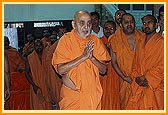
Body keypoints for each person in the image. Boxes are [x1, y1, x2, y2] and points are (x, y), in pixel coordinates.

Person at [52, 10, 111, 110]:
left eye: (89, 23)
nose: (86, 27)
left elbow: (104, 70)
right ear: (74, 24)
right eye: (82, 23)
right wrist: (83, 57)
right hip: (72, 97)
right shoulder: (66, 40)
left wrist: (92, 58)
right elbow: (61, 69)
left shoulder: (95, 41)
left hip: (92, 96)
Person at [126, 14, 164, 110]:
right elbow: (135, 62)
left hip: (155, 86)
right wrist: (136, 77)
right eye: (144, 23)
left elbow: (163, 65)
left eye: (149, 23)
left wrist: (148, 78)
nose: (146, 25)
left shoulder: (162, 42)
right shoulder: (140, 41)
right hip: (139, 84)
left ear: (156, 25)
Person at [109, 13, 143, 110]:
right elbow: (114, 62)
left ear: (135, 24)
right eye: (126, 22)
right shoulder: (115, 39)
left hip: (140, 80)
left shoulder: (142, 37)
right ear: (121, 25)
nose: (129, 24)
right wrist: (124, 77)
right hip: (125, 79)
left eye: (131, 22)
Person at [4, 36, 30, 110]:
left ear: (9, 42)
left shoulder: (14, 51)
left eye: (6, 41)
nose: (5, 43)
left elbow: (22, 64)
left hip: (14, 79)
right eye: (4, 41)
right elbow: (6, 71)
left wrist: (20, 69)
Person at [25, 39, 52, 110]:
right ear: (34, 47)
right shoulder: (30, 58)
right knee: (37, 107)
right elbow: (27, 73)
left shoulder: (47, 56)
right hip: (36, 87)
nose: (38, 47)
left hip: (47, 86)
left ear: (43, 46)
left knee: (47, 107)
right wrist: (34, 86)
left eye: (40, 45)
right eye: (36, 46)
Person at [100, 21, 120, 110]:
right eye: (106, 28)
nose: (108, 31)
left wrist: (108, 48)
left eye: (111, 29)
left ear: (116, 30)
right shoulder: (98, 41)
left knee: (115, 98)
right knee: (103, 98)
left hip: (116, 75)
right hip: (102, 76)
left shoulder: (119, 42)